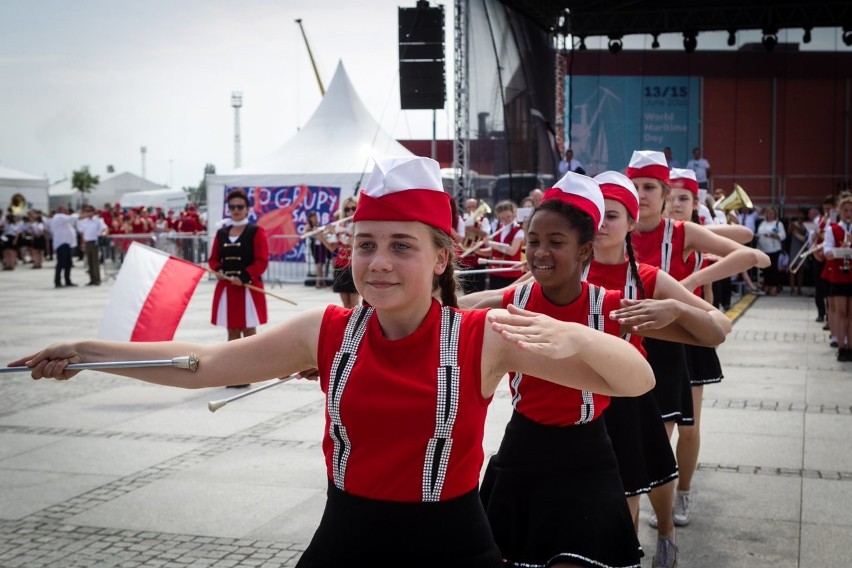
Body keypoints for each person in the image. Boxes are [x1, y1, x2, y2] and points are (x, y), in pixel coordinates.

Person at [11, 156, 655, 568]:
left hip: (453, 547)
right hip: (345, 543)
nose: (378, 262)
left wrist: (576, 341)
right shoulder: (326, 330)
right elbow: (203, 363)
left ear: (441, 258)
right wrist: (90, 353)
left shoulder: (482, 337)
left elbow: (637, 379)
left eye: (401, 246)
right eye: (365, 243)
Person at [625, 150, 769, 557]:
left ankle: (677, 500)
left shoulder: (679, 232)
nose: (642, 195)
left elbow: (751, 253)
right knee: (634, 441)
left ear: (666, 192)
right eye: (634, 187)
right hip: (628, 345)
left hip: (678, 343)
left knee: (673, 432)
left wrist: (686, 282)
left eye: (649, 187)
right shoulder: (614, 228)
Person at [588, 171, 730, 565]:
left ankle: (665, 531)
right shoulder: (569, 270)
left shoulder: (650, 275)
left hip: (638, 389)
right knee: (618, 494)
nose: (600, 224)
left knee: (645, 478)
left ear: (630, 222)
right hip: (582, 398)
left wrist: (679, 307)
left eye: (611, 216)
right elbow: (506, 296)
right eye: (595, 214)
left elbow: (721, 324)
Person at [208, 189, 269, 387]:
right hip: (227, 289)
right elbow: (214, 259)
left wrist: (243, 276)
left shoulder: (255, 231)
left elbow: (262, 260)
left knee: (249, 332)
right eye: (232, 207)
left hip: (247, 289)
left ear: (247, 209)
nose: (236, 210)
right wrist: (218, 270)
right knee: (232, 331)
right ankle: (233, 373)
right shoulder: (221, 233)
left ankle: (251, 372)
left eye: (240, 207)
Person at [821, 195, 852, 361]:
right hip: (839, 275)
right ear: (840, 211)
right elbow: (827, 251)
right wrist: (840, 249)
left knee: (851, 314)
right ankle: (841, 347)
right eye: (845, 210)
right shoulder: (833, 229)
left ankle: (851, 346)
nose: (848, 213)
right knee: (841, 313)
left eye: (851, 211)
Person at [483, 200, 525, 290]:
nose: (506, 220)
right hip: (495, 272)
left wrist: (490, 243)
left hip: (511, 274)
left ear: (514, 214)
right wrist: (477, 250)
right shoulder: (497, 228)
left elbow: (512, 251)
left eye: (508, 217)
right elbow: (493, 251)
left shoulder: (519, 230)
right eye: (503, 218)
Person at [331, 196, 360, 309]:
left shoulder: (359, 225)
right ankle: (347, 326)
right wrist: (320, 235)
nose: (350, 212)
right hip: (340, 265)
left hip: (353, 266)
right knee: (345, 305)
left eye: (353, 208)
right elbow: (332, 247)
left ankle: (356, 326)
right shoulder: (340, 225)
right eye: (347, 209)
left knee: (354, 305)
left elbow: (355, 245)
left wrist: (342, 235)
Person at [755, 206, 786, 296]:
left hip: (774, 249)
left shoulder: (778, 223)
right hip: (763, 249)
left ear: (775, 214)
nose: (770, 215)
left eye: (772, 213)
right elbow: (759, 232)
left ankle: (774, 286)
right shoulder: (763, 223)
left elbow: (783, 236)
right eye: (768, 213)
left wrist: (773, 235)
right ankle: (767, 285)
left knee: (773, 269)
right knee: (766, 269)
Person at [76, 205, 108, 286]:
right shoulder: (84, 221)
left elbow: (104, 228)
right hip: (87, 242)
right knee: (89, 262)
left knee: (95, 262)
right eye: (87, 211)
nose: (88, 213)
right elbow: (82, 233)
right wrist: (82, 243)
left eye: (90, 211)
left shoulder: (97, 220)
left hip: (94, 242)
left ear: (93, 212)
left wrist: (103, 233)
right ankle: (92, 279)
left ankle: (97, 279)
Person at [48, 205, 78, 288]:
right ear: (61, 210)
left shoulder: (64, 219)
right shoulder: (59, 217)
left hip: (67, 244)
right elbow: (73, 217)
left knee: (68, 263)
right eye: (66, 209)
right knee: (61, 264)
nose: (67, 211)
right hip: (61, 244)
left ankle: (67, 280)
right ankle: (57, 281)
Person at [303, 211, 334, 288]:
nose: (315, 218)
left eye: (315, 216)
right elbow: (304, 234)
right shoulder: (308, 226)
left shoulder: (320, 225)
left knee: (321, 264)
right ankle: (318, 282)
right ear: (310, 218)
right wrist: (313, 232)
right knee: (318, 265)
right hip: (315, 247)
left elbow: (324, 233)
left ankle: (322, 282)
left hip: (322, 246)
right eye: (313, 217)